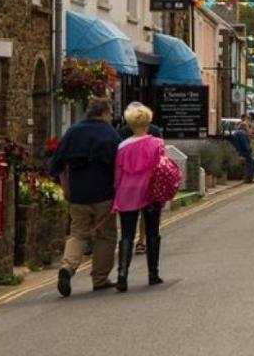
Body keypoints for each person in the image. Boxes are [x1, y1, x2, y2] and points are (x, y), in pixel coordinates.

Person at [49, 98, 120, 296]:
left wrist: (66, 187)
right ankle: (100, 278)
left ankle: (67, 267)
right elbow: (119, 167)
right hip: (104, 194)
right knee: (105, 236)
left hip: (78, 194)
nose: (111, 117)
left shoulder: (73, 132)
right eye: (111, 113)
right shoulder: (110, 134)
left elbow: (57, 164)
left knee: (78, 233)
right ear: (104, 113)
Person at [113, 103, 167, 290]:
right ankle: (153, 273)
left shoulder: (122, 147)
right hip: (150, 191)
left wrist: (117, 191)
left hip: (127, 192)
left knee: (127, 232)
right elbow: (162, 168)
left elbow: (118, 172)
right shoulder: (157, 143)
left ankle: (122, 273)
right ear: (148, 122)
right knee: (152, 231)